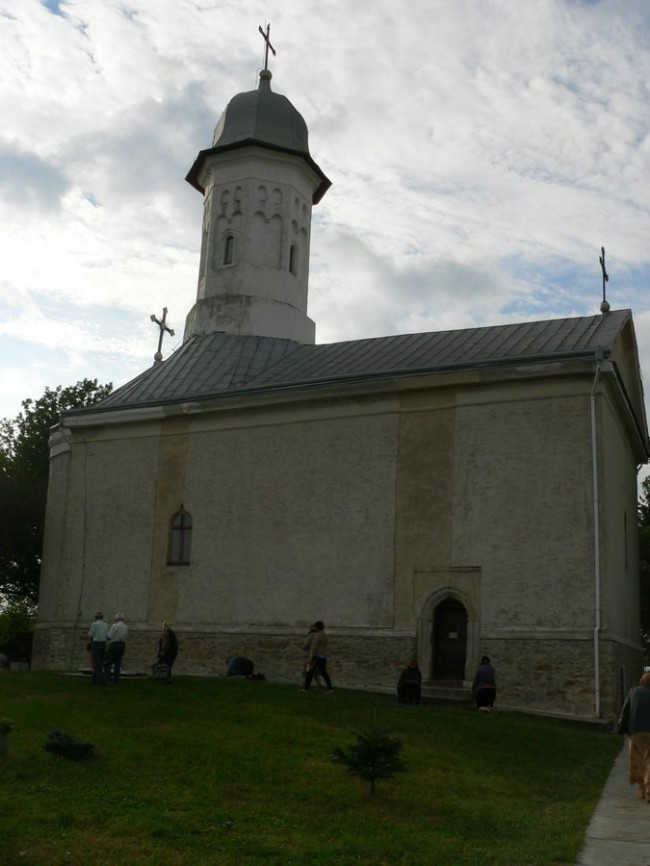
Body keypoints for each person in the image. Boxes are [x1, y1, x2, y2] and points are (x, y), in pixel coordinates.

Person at [618, 672, 650, 801]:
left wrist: (623, 728)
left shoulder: (633, 692)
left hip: (635, 731)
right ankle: (649, 789)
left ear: (642, 680)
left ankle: (641, 789)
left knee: (637, 760)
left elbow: (625, 710)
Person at [301, 620, 333, 693]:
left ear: (316, 627)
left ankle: (306, 688)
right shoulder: (325, 635)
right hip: (323, 656)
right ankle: (330, 688)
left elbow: (314, 647)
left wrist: (310, 658)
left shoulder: (317, 635)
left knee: (310, 672)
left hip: (317, 656)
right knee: (324, 673)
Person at [103, 613, 129, 682]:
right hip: (122, 645)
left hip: (114, 644)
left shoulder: (115, 626)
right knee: (118, 662)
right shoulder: (126, 627)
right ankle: (116, 679)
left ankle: (107, 678)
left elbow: (110, 636)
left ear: (116, 619)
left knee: (107, 662)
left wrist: (106, 642)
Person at [87, 611, 109, 684]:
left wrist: (90, 642)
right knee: (101, 662)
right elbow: (107, 635)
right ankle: (94, 679)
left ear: (96, 618)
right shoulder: (106, 624)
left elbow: (91, 634)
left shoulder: (94, 624)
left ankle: (101, 680)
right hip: (103, 644)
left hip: (96, 643)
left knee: (97, 663)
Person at [302, 624, 324, 688]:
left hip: (312, 655)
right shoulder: (320, 635)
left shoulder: (311, 635)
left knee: (308, 670)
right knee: (315, 670)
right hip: (320, 655)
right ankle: (319, 684)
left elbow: (305, 646)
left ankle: (304, 684)